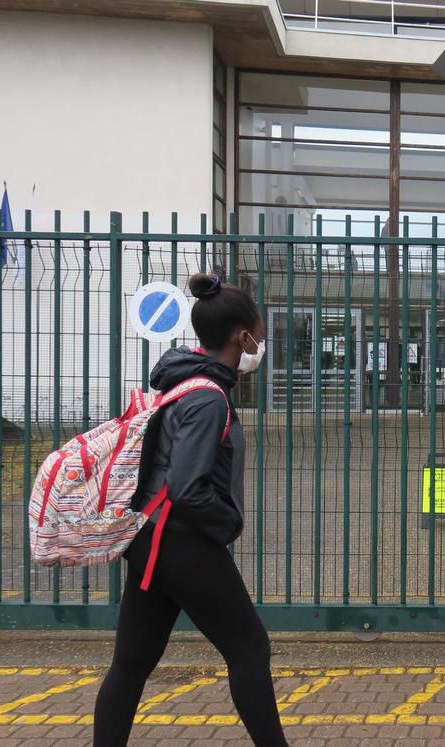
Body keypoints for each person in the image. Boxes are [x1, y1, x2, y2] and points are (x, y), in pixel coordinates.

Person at [93, 274, 288, 747]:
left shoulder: (183, 382)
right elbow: (186, 485)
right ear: (243, 337)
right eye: (259, 335)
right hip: (182, 543)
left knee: (132, 664)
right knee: (249, 648)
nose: (260, 344)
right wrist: (227, 523)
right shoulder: (207, 397)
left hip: (150, 541)